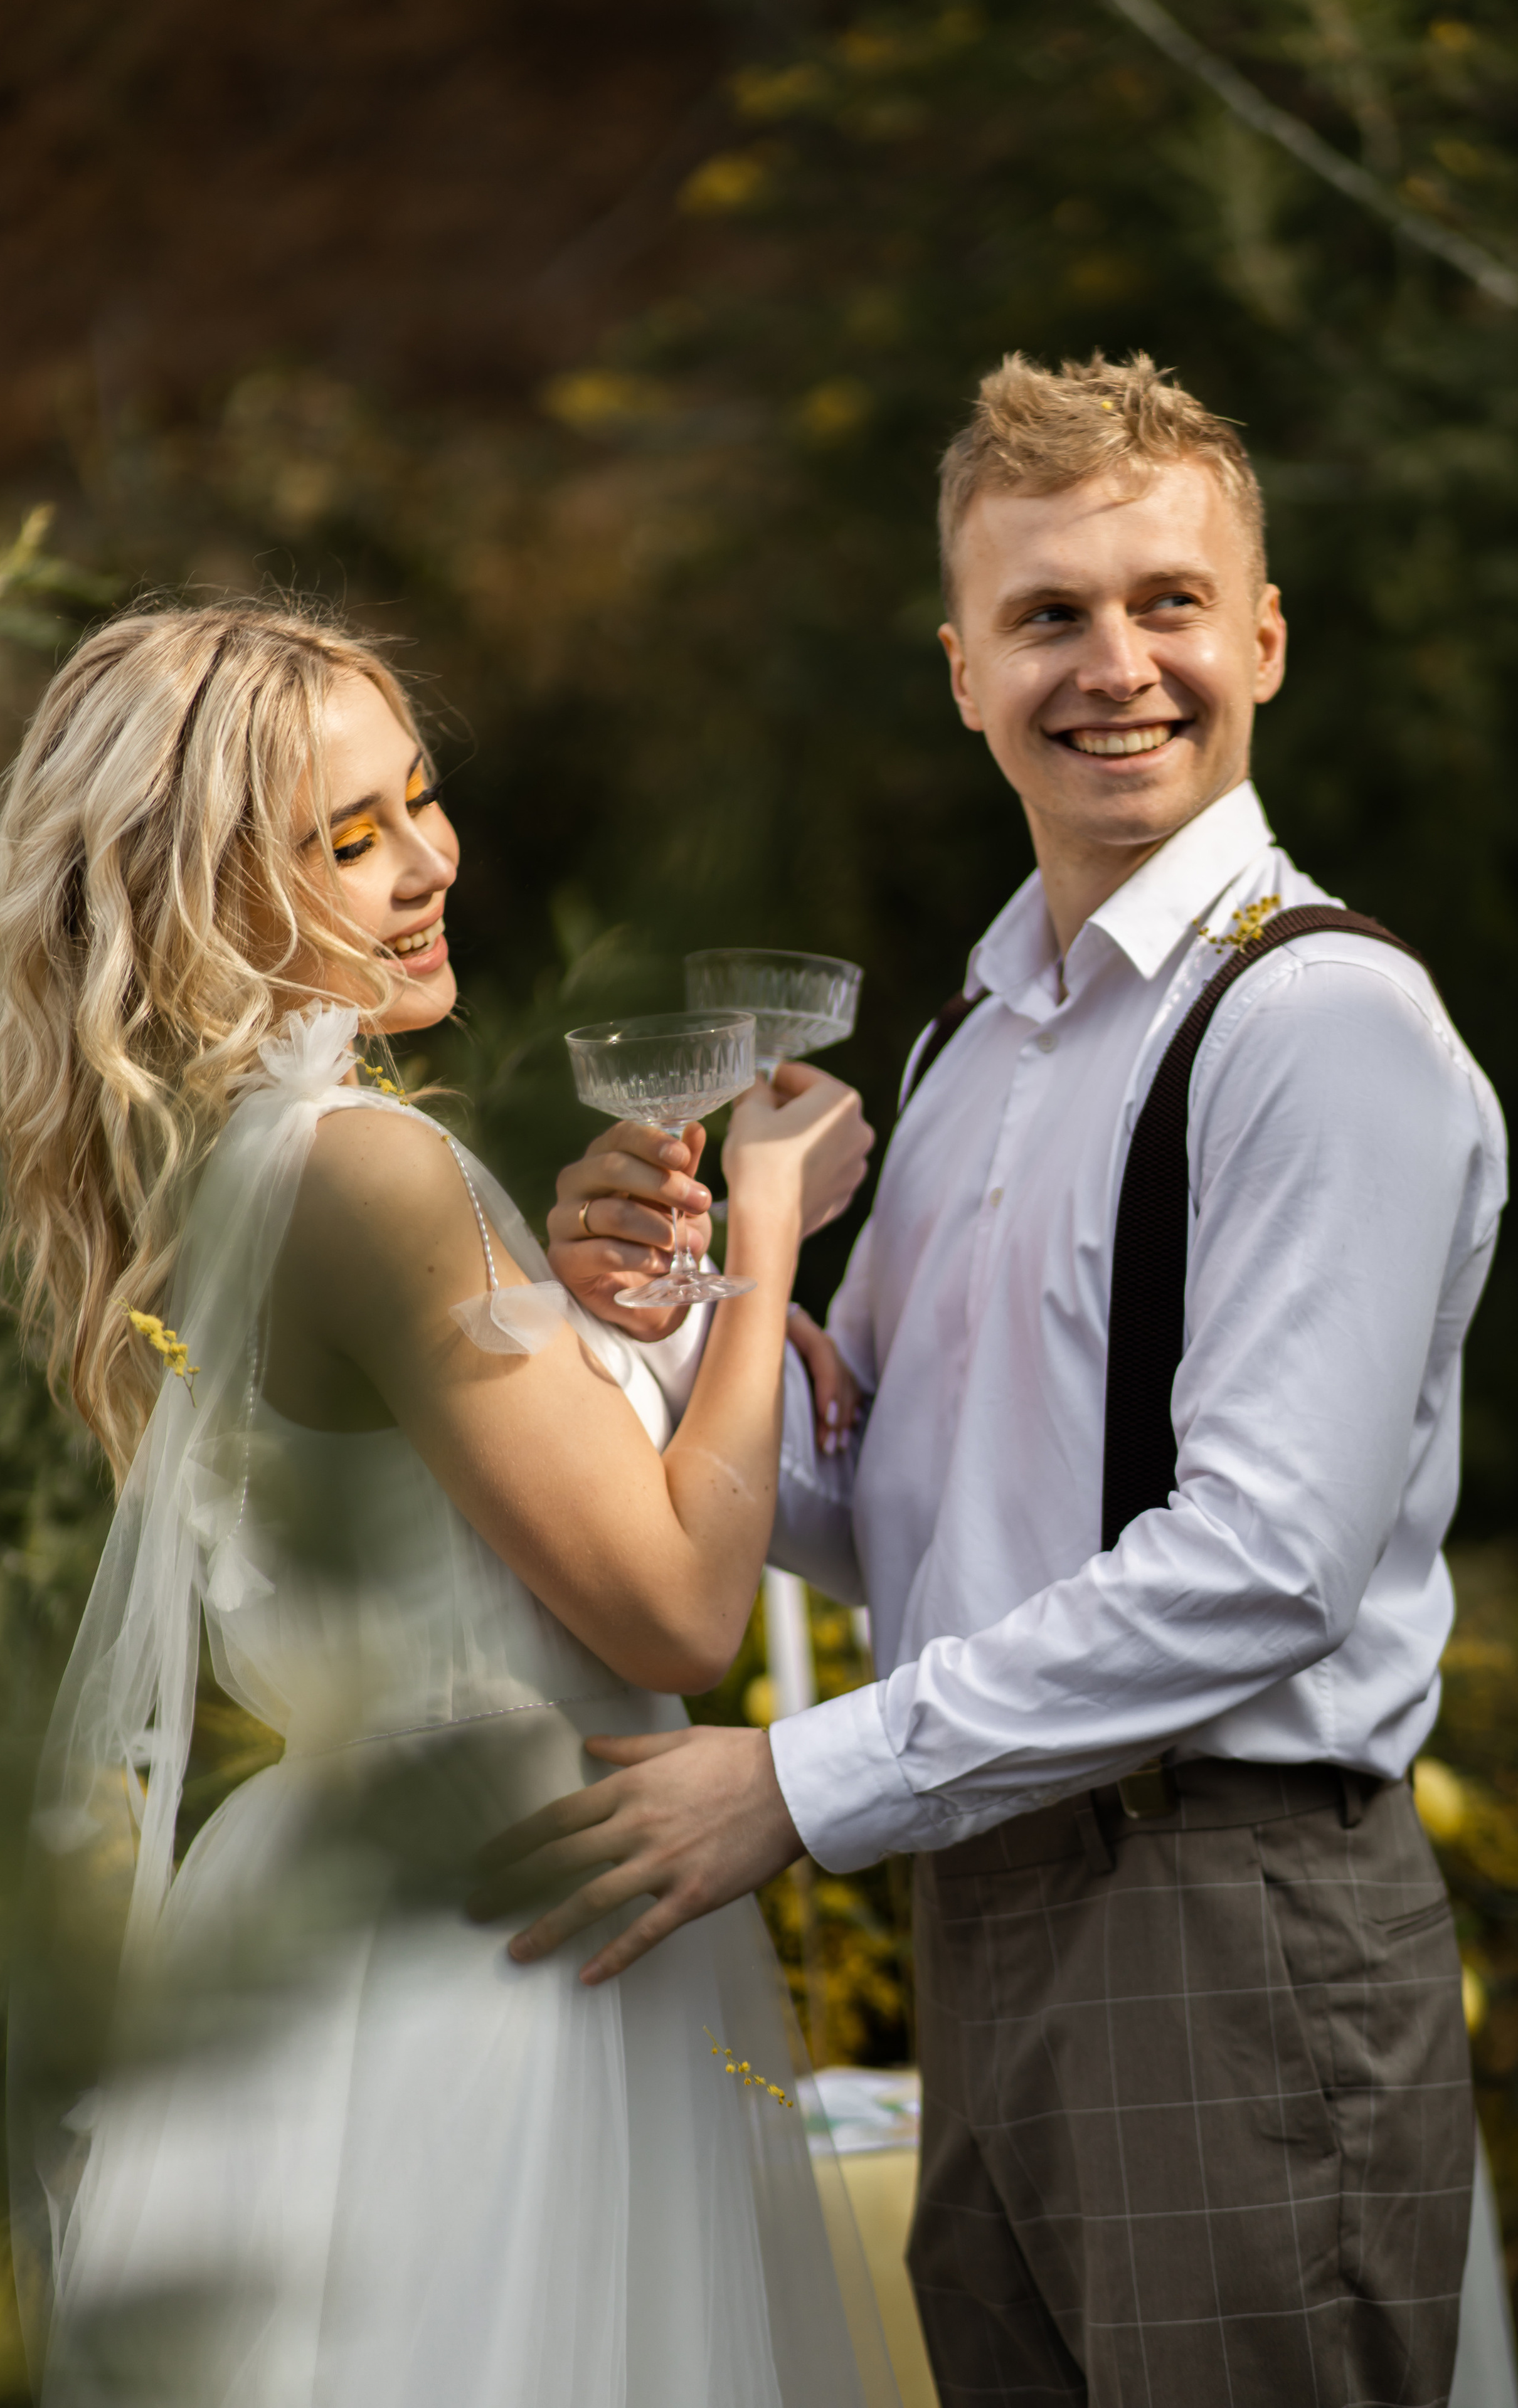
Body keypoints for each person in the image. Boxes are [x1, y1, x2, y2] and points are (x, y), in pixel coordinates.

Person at [505, 353, 1509, 2407]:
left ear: (1266, 639)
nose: (1115, 664)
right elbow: (881, 1505)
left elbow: (1260, 1570)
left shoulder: (1323, 1027)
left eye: (1167, 602)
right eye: (1049, 615)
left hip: (1228, 1916)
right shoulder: (976, 1042)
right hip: (999, 1901)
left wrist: (796, 1784)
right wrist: (666, 1311)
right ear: (962, 671)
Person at [0, 599, 893, 2407]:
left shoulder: (222, 1169)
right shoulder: (373, 1170)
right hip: (514, 1949)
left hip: (359, 1915)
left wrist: (619, 1310)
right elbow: (679, 1614)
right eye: (347, 838)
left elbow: (458, 1500)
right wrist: (777, 1211)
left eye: (422, 798)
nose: (427, 863)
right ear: (204, 896)